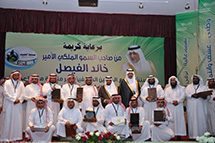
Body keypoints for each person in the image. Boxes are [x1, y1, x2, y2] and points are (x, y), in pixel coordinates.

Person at [0, 70, 25, 141]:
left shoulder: (21, 83)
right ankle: (6, 137)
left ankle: (17, 137)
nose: (16, 76)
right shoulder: (7, 82)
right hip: (9, 103)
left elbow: (23, 93)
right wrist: (13, 99)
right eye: (15, 75)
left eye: (18, 75)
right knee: (8, 120)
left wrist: (19, 99)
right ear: (12, 76)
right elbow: (5, 93)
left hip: (18, 104)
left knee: (17, 120)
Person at [185, 74, 208, 139]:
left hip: (201, 107)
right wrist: (192, 95)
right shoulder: (188, 87)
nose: (195, 80)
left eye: (196, 79)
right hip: (191, 107)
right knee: (192, 120)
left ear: (199, 79)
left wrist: (202, 96)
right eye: (194, 79)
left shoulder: (203, 87)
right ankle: (192, 136)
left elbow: (207, 97)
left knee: (201, 120)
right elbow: (186, 94)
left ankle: (202, 135)